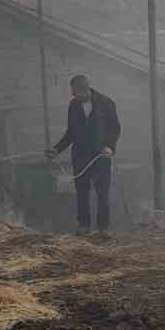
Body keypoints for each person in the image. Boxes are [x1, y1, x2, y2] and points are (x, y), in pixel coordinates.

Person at [46, 74, 121, 235]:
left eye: (74, 92)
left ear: (84, 89)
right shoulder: (73, 106)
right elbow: (71, 133)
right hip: (80, 156)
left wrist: (109, 147)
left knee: (102, 193)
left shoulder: (105, 103)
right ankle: (84, 225)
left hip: (100, 156)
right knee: (81, 192)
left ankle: (103, 227)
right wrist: (57, 149)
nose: (72, 95)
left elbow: (115, 129)